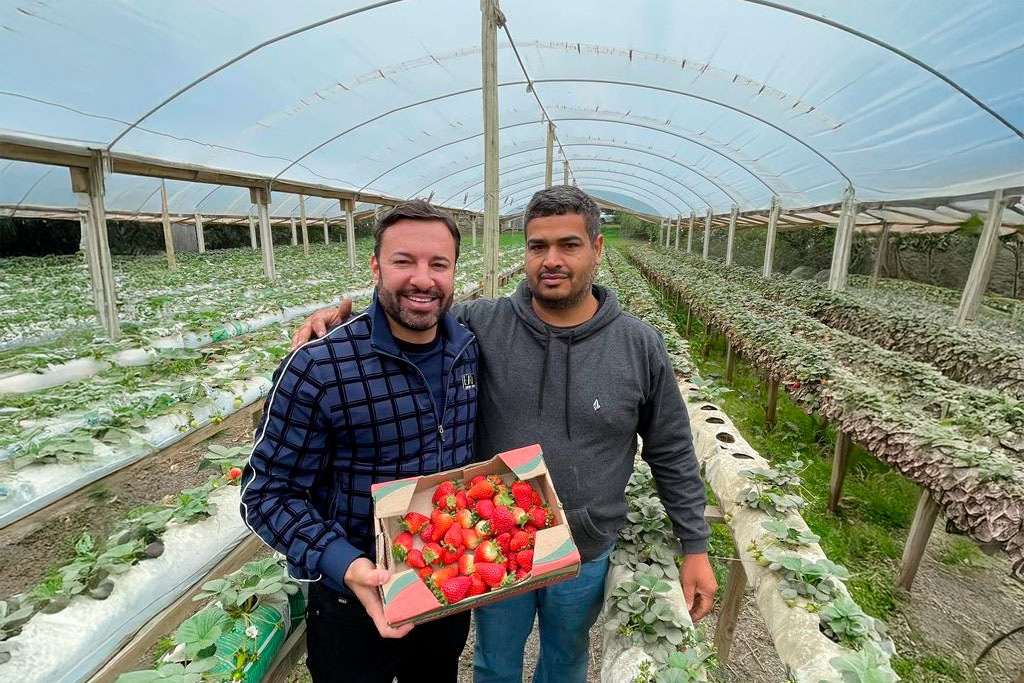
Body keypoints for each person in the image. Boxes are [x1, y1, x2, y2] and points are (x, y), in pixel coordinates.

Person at [293, 186, 717, 683]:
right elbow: (412, 312)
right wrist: (344, 325)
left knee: (566, 658)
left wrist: (695, 545)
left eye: (569, 245)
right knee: (494, 662)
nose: (551, 260)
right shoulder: (481, 324)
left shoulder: (638, 345)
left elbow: (670, 449)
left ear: (597, 250)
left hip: (585, 545)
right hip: (493, 539)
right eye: (538, 246)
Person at [240, 200, 479, 683]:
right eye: (403, 261)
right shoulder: (319, 367)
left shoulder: (468, 348)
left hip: (443, 588)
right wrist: (345, 565)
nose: (422, 279)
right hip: (352, 600)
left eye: (438, 264)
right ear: (374, 267)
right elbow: (265, 494)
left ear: (455, 270)